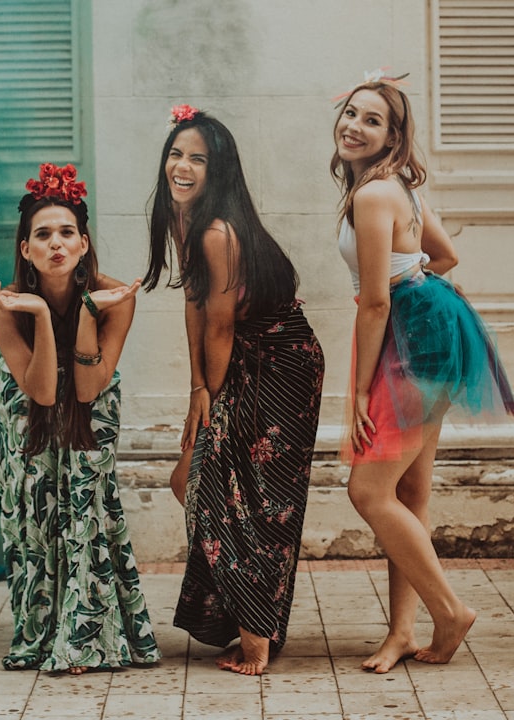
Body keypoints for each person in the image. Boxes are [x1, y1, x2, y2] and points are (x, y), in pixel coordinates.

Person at [330, 72, 514, 670]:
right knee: (408, 493)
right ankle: (401, 632)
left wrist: (358, 389)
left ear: (392, 138)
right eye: (351, 114)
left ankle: (450, 611)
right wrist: (414, 287)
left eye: (372, 120)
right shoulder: (397, 187)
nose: (354, 126)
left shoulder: (372, 194)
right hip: (430, 328)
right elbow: (445, 256)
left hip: (412, 337)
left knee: (368, 490)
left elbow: (378, 302)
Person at [143, 105, 325, 675]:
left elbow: (221, 325)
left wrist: (213, 400)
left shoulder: (218, 231)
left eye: (198, 158)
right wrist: (196, 387)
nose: (183, 165)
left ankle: (254, 637)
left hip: (279, 364)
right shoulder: (189, 220)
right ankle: (247, 619)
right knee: (200, 480)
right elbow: (196, 306)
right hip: (245, 358)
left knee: (237, 492)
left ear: (219, 171)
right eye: (177, 153)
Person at [0, 162, 160, 674]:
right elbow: (39, 392)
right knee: (35, 508)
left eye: (67, 233)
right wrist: (39, 313)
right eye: (43, 235)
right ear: (25, 249)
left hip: (92, 403)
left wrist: (85, 312)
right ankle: (42, 629)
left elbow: (86, 387)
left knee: (86, 501)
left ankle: (85, 635)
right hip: (25, 406)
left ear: (83, 243)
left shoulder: (114, 299)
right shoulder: (1, 309)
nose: (56, 244)